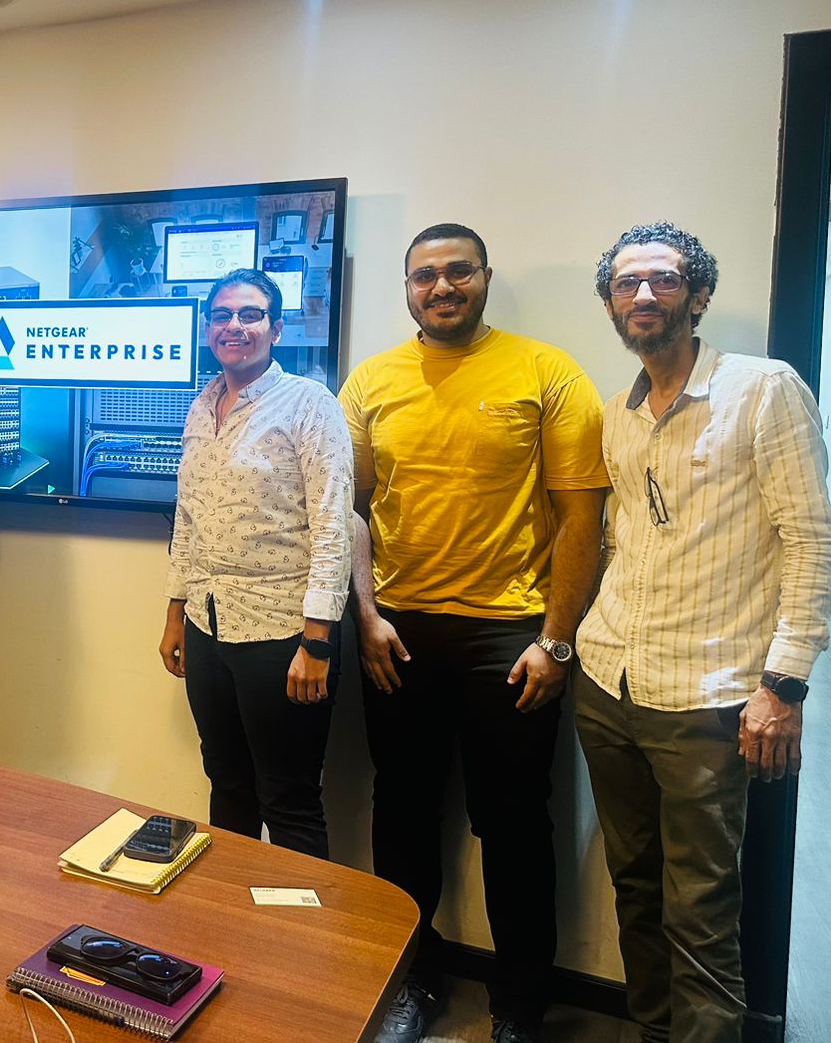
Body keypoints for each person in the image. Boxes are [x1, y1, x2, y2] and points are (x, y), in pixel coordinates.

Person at [340, 223, 608, 1043]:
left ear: (486, 277)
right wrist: (366, 617)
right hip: (398, 634)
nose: (442, 286)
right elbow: (349, 510)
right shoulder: (372, 380)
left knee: (515, 824)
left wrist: (556, 640)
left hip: (511, 637)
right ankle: (412, 981)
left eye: (459, 271)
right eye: (425, 275)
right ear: (407, 288)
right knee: (403, 813)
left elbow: (582, 517)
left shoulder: (546, 371)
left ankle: (520, 1006)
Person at [574, 223, 831, 1043]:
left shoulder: (765, 390)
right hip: (608, 683)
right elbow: (625, 538)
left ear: (699, 294)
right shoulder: (619, 413)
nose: (643, 295)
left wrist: (784, 685)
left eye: (664, 279)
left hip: (709, 699)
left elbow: (813, 541)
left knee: (702, 913)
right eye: (626, 284)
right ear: (611, 305)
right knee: (635, 889)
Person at [158, 269, 352, 859]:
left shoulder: (310, 404)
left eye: (250, 315)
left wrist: (317, 642)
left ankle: (302, 922)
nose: (234, 326)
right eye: (222, 316)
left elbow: (334, 526)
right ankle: (231, 914)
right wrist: (175, 616)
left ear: (276, 328)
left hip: (283, 634)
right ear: (207, 329)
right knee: (227, 786)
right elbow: (187, 519)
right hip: (207, 627)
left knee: (289, 800)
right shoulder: (201, 405)